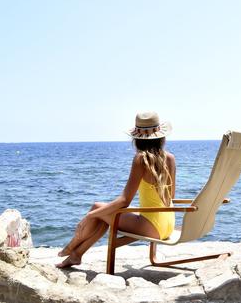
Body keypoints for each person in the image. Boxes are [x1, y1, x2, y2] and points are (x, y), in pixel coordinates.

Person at [56, 111, 176, 268]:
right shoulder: (170, 158)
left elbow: (125, 200)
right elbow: (171, 196)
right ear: (161, 136)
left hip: (151, 226)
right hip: (168, 225)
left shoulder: (141, 159)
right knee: (104, 213)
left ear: (137, 139)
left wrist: (88, 216)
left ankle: (73, 245)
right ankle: (76, 255)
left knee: (97, 208)